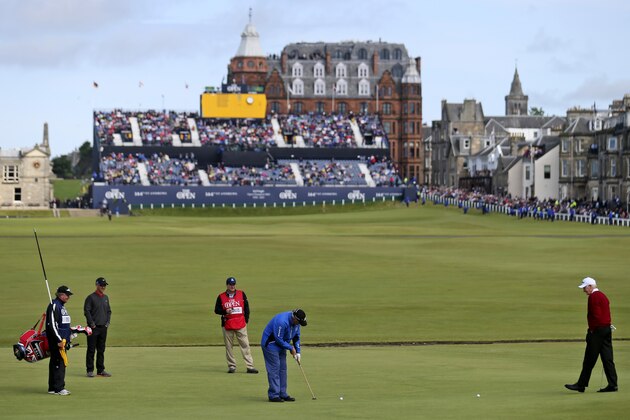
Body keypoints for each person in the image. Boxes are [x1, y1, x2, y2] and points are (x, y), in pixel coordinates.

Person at [565, 277, 618, 393]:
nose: (584, 290)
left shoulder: (593, 297)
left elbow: (596, 316)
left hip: (598, 331)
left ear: (590, 286)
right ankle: (613, 384)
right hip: (607, 329)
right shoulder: (603, 295)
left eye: (584, 287)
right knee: (607, 358)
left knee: (589, 359)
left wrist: (592, 331)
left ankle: (581, 384)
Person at [261, 309, 307, 402]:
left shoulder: (297, 324)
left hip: (282, 344)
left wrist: (298, 352)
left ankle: (282, 393)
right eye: (298, 322)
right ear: (294, 318)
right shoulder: (282, 321)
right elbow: (278, 339)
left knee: (283, 369)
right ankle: (274, 395)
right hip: (270, 344)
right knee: (275, 369)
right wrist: (290, 348)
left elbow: (296, 337)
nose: (299, 324)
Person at [214, 276, 258, 374]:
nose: (232, 286)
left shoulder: (241, 294)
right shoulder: (221, 296)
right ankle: (232, 366)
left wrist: (246, 320)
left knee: (245, 345)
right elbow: (216, 310)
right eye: (230, 284)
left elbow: (246, 308)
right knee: (229, 346)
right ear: (227, 285)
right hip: (227, 324)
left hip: (241, 324)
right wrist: (225, 311)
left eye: (233, 284)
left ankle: (250, 366)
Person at [46, 285, 74, 395]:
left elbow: (63, 324)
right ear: (61, 295)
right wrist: (58, 340)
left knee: (55, 362)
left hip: (62, 340)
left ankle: (52, 388)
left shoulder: (61, 306)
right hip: (57, 341)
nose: (68, 297)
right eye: (67, 295)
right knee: (59, 362)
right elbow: (52, 325)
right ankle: (59, 388)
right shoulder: (54, 305)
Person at [84, 277, 112, 377]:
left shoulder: (105, 298)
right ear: (97, 285)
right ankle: (90, 370)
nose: (103, 287)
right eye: (101, 285)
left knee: (101, 349)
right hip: (93, 328)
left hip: (103, 328)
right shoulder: (90, 298)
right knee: (91, 349)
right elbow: (87, 312)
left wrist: (107, 322)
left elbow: (109, 311)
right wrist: (92, 324)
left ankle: (100, 370)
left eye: (104, 285)